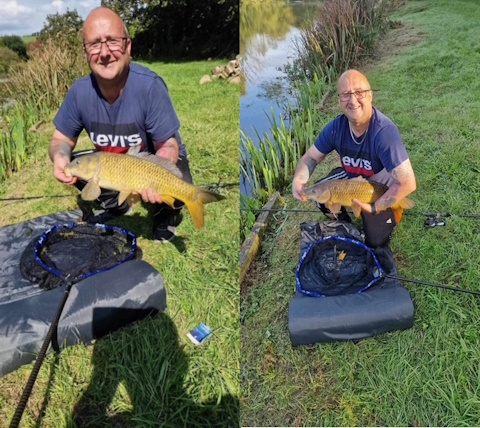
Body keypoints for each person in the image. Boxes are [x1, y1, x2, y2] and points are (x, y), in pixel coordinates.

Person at [48, 6, 192, 243]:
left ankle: (164, 215)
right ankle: (117, 206)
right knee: (80, 162)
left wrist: (157, 177)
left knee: (179, 183)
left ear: (127, 46)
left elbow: (168, 144)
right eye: (95, 44)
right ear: (86, 52)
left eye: (112, 41)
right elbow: (60, 140)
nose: (104, 52)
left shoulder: (150, 86)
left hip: (149, 160)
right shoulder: (79, 92)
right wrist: (61, 157)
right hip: (112, 162)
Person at [292, 69, 416, 247]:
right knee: (320, 199)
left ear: (370, 95)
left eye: (359, 92)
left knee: (376, 240)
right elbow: (311, 157)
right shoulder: (335, 128)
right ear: (339, 100)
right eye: (346, 94)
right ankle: (344, 223)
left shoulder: (384, 132)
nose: (352, 100)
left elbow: (408, 183)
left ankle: (389, 211)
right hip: (350, 180)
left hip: (379, 186)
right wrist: (299, 179)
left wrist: (374, 207)